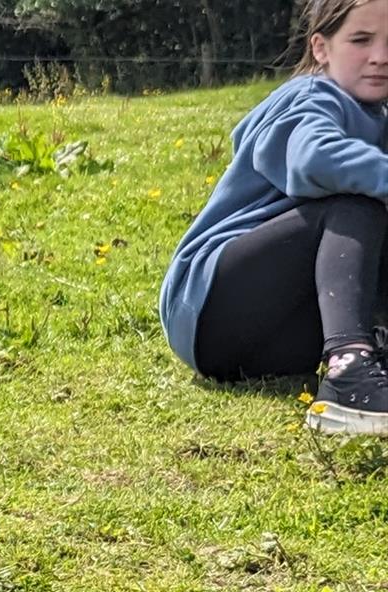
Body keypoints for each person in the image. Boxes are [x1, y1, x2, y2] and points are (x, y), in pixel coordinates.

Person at [162, 0, 388, 435]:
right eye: (360, 40)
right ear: (321, 48)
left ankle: (361, 357)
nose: (380, 56)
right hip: (210, 305)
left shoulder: (378, 115)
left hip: (267, 339)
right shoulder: (310, 97)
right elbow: (315, 157)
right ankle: (348, 373)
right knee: (357, 202)